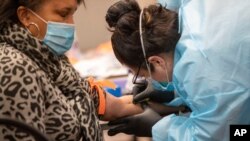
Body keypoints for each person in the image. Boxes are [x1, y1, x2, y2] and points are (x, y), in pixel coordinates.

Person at [0, 0, 145, 140]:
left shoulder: (50, 61)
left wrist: (163, 102)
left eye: (73, 14)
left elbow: (113, 106)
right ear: (25, 16)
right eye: (63, 14)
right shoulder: (14, 71)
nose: (71, 25)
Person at [105, 0, 250, 140]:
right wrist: (174, 92)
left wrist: (157, 128)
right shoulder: (188, 17)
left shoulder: (205, 74)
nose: (149, 80)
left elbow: (217, 135)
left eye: (143, 75)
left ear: (156, 61)